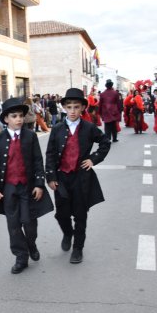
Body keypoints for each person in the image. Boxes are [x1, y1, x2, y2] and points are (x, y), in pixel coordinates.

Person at [0, 98, 54, 274]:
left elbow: (38, 161)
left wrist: (39, 184)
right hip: (9, 189)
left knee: (29, 223)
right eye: (14, 116)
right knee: (13, 225)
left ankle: (31, 244)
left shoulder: (30, 136)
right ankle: (21, 257)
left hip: (27, 188)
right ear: (6, 119)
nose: (19, 119)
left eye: (21, 116)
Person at [45, 88, 111, 264]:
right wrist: (50, 177)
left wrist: (93, 159)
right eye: (69, 107)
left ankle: (78, 249)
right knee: (61, 213)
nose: (73, 110)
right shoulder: (57, 129)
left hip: (81, 178)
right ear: (64, 108)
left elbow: (105, 142)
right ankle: (68, 233)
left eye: (76, 107)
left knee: (81, 214)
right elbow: (50, 153)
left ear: (82, 108)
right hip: (61, 178)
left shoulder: (89, 128)